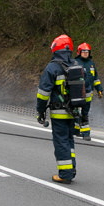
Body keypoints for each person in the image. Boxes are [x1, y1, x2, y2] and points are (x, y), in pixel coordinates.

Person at [36, 34, 79, 184]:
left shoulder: (52, 67)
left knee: (61, 142)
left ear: (56, 48)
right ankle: (71, 169)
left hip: (59, 113)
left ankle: (65, 174)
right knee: (69, 141)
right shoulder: (75, 65)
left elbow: (43, 94)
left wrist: (40, 111)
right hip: (73, 112)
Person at [74, 42, 103, 141]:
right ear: (79, 52)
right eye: (84, 51)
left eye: (87, 51)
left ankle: (86, 133)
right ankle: (76, 130)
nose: (86, 53)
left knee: (85, 113)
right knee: (75, 111)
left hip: (88, 93)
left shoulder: (91, 64)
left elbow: (95, 78)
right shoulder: (75, 62)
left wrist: (99, 89)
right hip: (76, 92)